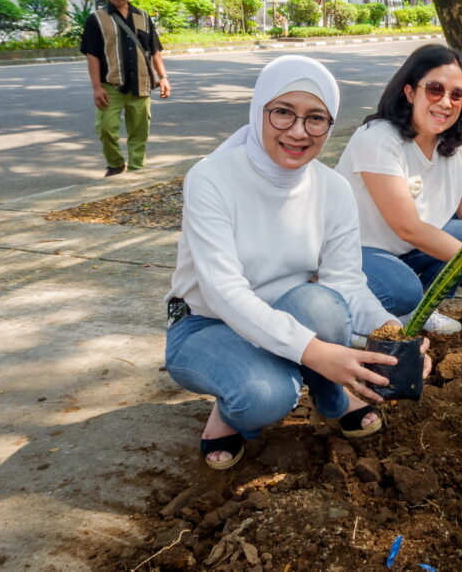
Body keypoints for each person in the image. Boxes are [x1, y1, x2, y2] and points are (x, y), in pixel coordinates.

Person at [164, 55, 429, 470]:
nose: (298, 131)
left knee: (320, 304)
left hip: (291, 313)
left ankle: (331, 396)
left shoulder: (332, 188)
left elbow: (346, 283)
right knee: (265, 397)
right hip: (206, 323)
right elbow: (222, 292)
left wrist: (395, 333)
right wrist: (316, 352)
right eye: (283, 113)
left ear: (331, 122)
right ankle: (235, 403)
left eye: (315, 118)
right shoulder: (211, 178)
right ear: (259, 111)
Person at [336, 44, 462, 335]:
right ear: (410, 92)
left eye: (457, 94)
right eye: (435, 89)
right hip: (353, 253)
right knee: (402, 289)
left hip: (402, 252)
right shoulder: (378, 139)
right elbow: (407, 227)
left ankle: (417, 310)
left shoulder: (453, 152)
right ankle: (351, 321)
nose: (446, 102)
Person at [81, 0, 170, 177]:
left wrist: (163, 77)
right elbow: (92, 55)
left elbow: (154, 49)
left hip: (142, 83)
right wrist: (96, 87)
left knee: (139, 130)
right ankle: (115, 164)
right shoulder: (96, 19)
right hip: (111, 85)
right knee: (106, 128)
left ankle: (137, 169)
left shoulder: (143, 17)